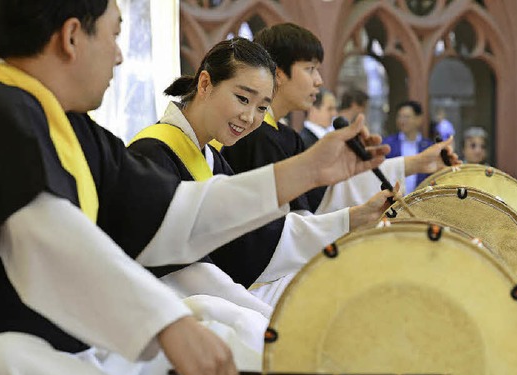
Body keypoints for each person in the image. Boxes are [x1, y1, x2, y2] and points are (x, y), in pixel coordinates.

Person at [0, 2, 388, 375]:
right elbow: (50, 243)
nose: (117, 55)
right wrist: (166, 326)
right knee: (9, 366)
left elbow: (175, 210)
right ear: (72, 36)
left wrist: (308, 170)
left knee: (242, 370)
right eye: (114, 34)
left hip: (57, 347)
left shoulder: (68, 127)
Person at [128, 38, 391, 306]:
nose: (250, 116)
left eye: (262, 107)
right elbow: (185, 275)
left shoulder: (210, 158)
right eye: (243, 99)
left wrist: (351, 220)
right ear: (205, 84)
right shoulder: (152, 153)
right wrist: (265, 319)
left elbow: (258, 236)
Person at [221, 23, 457, 217]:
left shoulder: (286, 136)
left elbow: (323, 196)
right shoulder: (253, 136)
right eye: (310, 69)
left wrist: (418, 163)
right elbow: (283, 229)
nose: (319, 81)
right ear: (279, 74)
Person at [382, 100, 435, 193]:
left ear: (419, 119)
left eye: (406, 117)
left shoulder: (429, 146)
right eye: (399, 117)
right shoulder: (387, 144)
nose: (402, 121)